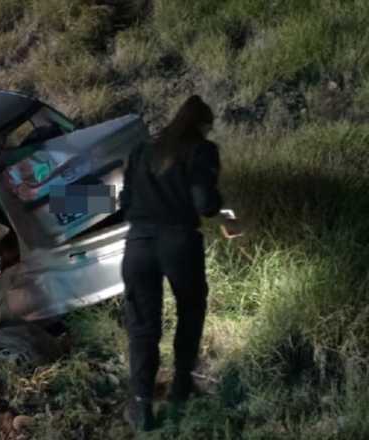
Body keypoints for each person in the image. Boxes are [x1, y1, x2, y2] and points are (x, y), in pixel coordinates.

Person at [118, 95, 227, 431]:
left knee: (143, 327)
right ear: (201, 124)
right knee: (190, 312)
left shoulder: (142, 150)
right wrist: (224, 212)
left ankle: (142, 408)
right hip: (179, 243)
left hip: (138, 246)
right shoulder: (201, 150)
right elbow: (204, 202)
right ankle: (181, 387)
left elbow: (124, 201)